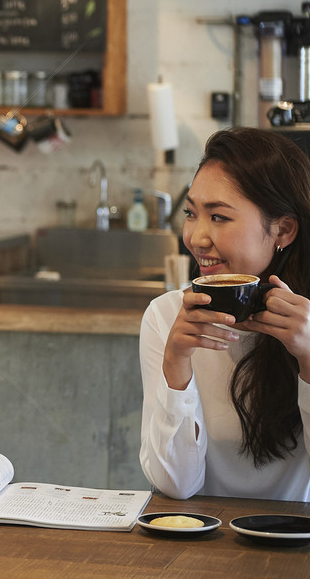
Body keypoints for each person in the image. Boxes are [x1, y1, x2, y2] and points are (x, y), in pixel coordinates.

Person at [140, 127, 310, 501]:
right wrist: (176, 361)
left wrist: (309, 357)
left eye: (218, 217)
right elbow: (175, 486)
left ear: (283, 229)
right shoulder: (167, 315)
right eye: (191, 213)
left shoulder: (308, 324)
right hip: (199, 539)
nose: (197, 238)